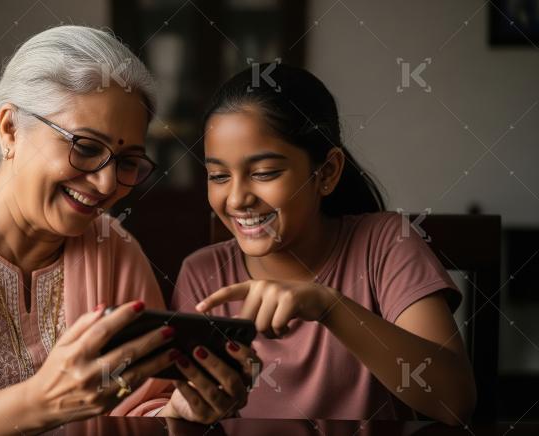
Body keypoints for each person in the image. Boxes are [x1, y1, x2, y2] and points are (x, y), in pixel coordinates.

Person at [0, 26, 255, 435]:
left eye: (127, 162)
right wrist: (41, 402)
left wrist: (181, 409)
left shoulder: (116, 248)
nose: (108, 185)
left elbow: (140, 405)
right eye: (86, 148)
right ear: (10, 129)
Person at [170, 63, 476, 424]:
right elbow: (176, 411)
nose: (237, 199)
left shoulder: (387, 244)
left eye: (265, 173)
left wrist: (329, 306)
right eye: (218, 176)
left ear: (327, 172)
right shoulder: (201, 273)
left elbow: (454, 402)